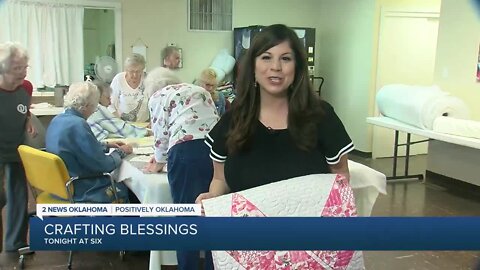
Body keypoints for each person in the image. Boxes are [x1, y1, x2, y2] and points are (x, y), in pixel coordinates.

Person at [196, 24, 354, 203]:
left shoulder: (321, 116)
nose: (276, 67)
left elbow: (340, 175)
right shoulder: (232, 120)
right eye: (266, 57)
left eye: (286, 59)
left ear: (297, 67)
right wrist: (212, 198)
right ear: (253, 68)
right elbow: (220, 179)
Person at [143, 67, 218, 270]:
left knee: (186, 217)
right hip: (217, 151)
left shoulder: (158, 96)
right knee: (213, 213)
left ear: (151, 88)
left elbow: (161, 135)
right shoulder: (199, 90)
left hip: (186, 152)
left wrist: (157, 163)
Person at [46, 81, 133, 203]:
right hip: (82, 188)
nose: (94, 111)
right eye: (95, 107)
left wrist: (106, 146)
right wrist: (120, 152)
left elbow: (77, 148)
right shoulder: (78, 125)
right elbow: (103, 165)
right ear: (86, 106)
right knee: (128, 190)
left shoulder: (58, 119)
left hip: (58, 187)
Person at [0, 42, 36, 253]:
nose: (23, 72)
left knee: (19, 195)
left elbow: (24, 108)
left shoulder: (27, 87)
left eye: (25, 67)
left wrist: (28, 120)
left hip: (17, 147)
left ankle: (16, 243)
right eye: (17, 68)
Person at [87, 80, 152, 141]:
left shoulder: (89, 108)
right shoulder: (98, 108)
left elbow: (113, 130)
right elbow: (121, 129)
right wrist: (147, 131)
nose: (110, 103)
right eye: (107, 98)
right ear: (98, 97)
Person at [110, 53, 149, 122]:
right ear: (126, 70)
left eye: (138, 71)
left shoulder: (148, 79)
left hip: (144, 123)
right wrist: (119, 121)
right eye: (131, 71)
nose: (135, 75)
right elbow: (110, 104)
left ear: (143, 69)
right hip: (122, 123)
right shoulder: (118, 79)